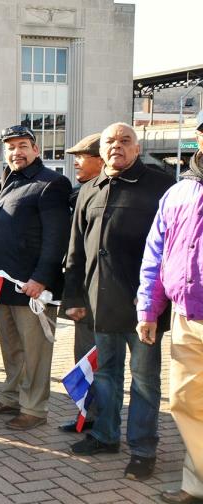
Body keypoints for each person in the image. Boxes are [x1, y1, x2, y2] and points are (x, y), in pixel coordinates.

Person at [63, 123, 173, 479]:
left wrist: (159, 304)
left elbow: (169, 250)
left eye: (126, 141)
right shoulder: (88, 190)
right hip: (99, 304)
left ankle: (142, 449)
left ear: (137, 149)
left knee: (144, 381)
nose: (117, 147)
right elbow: (75, 250)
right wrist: (74, 297)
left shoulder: (160, 186)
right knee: (106, 374)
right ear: (102, 151)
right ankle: (106, 435)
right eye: (111, 141)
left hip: (145, 308)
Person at [0, 125, 71, 430]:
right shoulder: (4, 182)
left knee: (35, 352)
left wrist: (41, 278)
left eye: (22, 146)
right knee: (12, 348)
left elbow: (56, 237)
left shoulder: (51, 183)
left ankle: (34, 408)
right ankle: (11, 396)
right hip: (1, 285)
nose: (15, 152)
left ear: (35, 149)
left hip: (31, 288)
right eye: (10, 147)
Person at [138, 111, 203, 504]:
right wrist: (148, 310)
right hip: (185, 318)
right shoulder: (178, 192)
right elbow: (155, 254)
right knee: (184, 401)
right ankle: (196, 484)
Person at [58, 132, 104, 433]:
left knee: (99, 362)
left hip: (104, 297)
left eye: (81, 156)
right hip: (83, 295)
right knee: (84, 358)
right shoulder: (82, 191)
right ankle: (88, 414)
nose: (75, 162)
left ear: (100, 160)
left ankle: (97, 419)